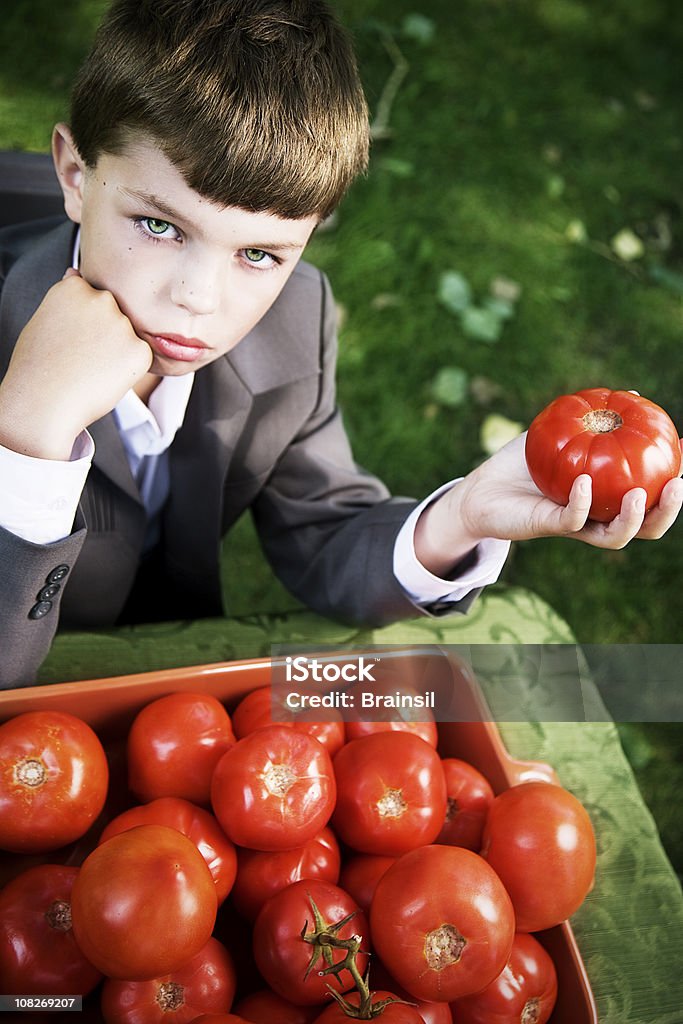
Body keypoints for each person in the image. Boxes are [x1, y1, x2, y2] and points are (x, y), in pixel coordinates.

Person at [0, 0, 680, 691]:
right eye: (158, 225)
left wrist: (462, 513)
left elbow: (322, 536)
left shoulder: (295, 316)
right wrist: (27, 435)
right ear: (75, 176)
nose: (198, 298)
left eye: (260, 254)